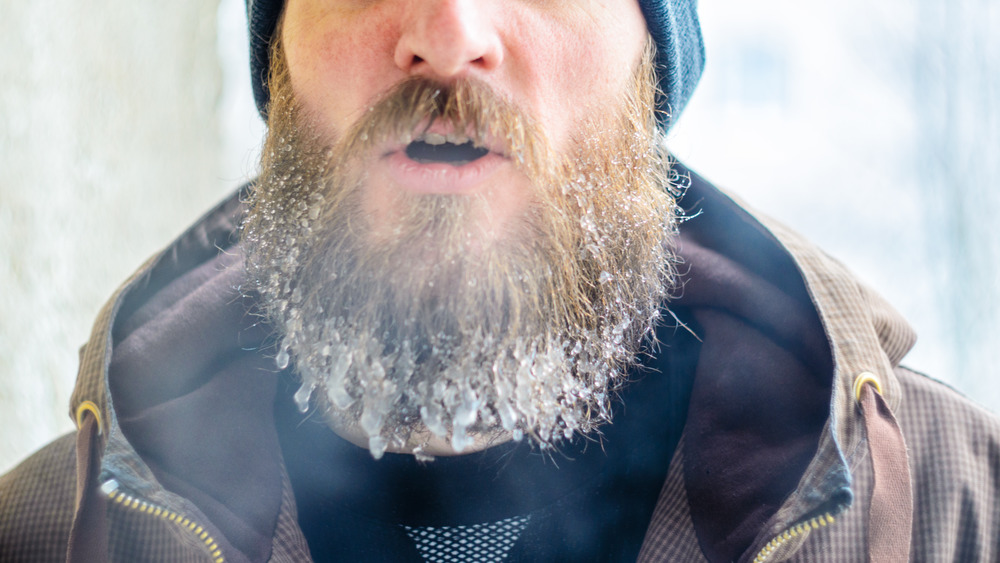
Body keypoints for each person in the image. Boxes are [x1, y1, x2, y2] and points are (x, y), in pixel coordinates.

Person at [2, 0, 998, 561]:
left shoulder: (954, 516)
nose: (449, 29)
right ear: (280, 53)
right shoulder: (42, 537)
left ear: (651, 63)